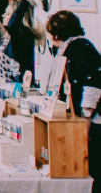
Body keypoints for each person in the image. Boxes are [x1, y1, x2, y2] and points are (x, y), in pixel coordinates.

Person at [46, 11, 101, 192]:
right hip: (83, 118)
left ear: (55, 34)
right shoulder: (73, 47)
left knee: (94, 168)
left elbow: (93, 80)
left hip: (92, 121)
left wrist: (86, 115)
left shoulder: (79, 47)